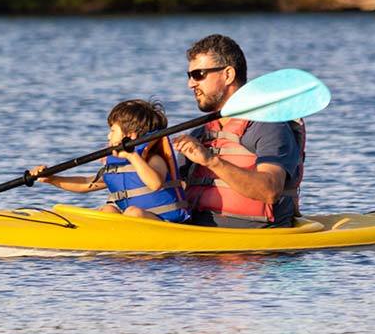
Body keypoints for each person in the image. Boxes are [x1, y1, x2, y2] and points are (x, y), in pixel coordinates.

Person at [173, 34, 305, 228]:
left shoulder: (268, 126)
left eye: (198, 74)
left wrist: (211, 161)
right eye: (189, 76)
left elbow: (270, 190)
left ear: (228, 75)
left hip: (255, 245)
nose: (191, 84)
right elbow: (172, 192)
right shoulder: (200, 134)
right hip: (199, 233)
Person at [29, 99, 189, 223]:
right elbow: (86, 183)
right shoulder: (117, 165)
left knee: (133, 212)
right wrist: (53, 179)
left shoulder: (154, 159)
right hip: (135, 224)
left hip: (165, 224)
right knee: (108, 210)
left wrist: (132, 156)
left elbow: (155, 184)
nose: (108, 136)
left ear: (131, 136)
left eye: (112, 130)